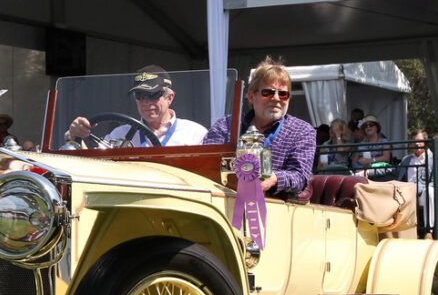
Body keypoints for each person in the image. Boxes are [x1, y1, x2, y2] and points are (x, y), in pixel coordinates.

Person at [202, 57, 316, 198]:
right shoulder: (225, 125)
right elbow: (206, 161)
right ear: (251, 96)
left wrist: (274, 178)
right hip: (223, 198)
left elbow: (300, 176)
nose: (276, 98)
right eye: (267, 92)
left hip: (273, 206)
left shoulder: (302, 131)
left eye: (283, 94)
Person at [67, 65, 208, 148]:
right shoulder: (119, 134)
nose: (146, 102)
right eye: (140, 95)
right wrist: (74, 136)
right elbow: (93, 166)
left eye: (153, 95)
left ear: (169, 98)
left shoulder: (195, 134)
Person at [399, 130, 438, 236]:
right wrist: (367, 171)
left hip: (424, 195)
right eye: (414, 141)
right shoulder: (406, 160)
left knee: (429, 191)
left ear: (425, 142)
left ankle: (429, 231)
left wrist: (416, 189)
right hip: (407, 194)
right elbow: (393, 171)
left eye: (420, 141)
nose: (416, 144)